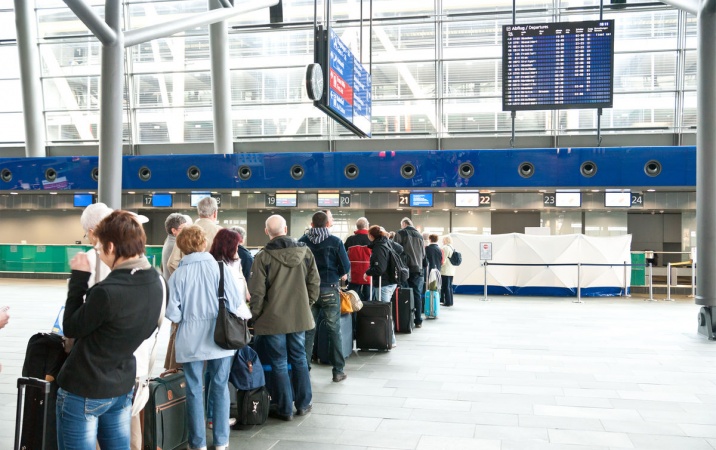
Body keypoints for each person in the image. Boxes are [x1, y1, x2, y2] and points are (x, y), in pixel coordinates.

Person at [57, 210, 164, 450]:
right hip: (121, 386)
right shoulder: (157, 282)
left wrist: (78, 280)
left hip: (84, 387)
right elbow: (147, 331)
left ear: (112, 246)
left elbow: (71, 326)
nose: (98, 252)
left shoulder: (106, 291)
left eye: (100, 247)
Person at [166, 225, 249, 450]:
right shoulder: (221, 269)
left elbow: (172, 313)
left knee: (193, 389)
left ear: (182, 247)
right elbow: (236, 304)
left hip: (189, 340)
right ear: (203, 243)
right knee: (220, 386)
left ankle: (198, 443)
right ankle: (221, 441)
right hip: (220, 336)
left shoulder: (178, 275)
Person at [248, 215, 319, 421]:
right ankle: (304, 404)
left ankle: (285, 408)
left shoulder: (262, 257)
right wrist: (307, 305)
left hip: (272, 320)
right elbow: (314, 283)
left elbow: (257, 293)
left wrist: (255, 315)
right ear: (286, 228)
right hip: (299, 318)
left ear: (266, 231)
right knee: (299, 358)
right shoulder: (306, 253)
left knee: (279, 362)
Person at [207, 228, 252, 430]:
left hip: (212, 325)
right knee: (220, 377)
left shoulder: (218, 264)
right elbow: (236, 302)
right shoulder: (224, 267)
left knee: (213, 376)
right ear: (229, 247)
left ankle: (210, 416)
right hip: (227, 325)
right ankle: (217, 419)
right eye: (236, 245)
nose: (239, 249)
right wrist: (248, 316)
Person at [299, 211, 351, 382]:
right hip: (330, 289)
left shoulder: (302, 242)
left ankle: (304, 369)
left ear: (312, 224)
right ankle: (338, 371)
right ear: (327, 224)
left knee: (308, 331)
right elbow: (345, 266)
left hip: (309, 291)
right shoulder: (335, 241)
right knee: (334, 330)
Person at [363, 225, 402, 347]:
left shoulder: (379, 247)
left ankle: (389, 340)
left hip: (383, 283)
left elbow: (379, 268)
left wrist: (368, 272)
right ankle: (385, 338)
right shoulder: (387, 243)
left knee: (384, 312)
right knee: (385, 311)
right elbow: (400, 249)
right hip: (391, 282)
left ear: (371, 235)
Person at [167, 196, 222, 275]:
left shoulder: (186, 232)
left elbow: (172, 263)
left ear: (199, 212)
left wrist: (187, 276)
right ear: (215, 213)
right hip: (215, 282)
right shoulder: (221, 232)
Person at [394, 217, 426, 328]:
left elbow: (395, 251)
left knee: (404, 293)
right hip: (418, 269)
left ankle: (405, 319)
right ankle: (418, 320)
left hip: (404, 269)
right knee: (417, 294)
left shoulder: (400, 233)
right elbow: (423, 254)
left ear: (404, 224)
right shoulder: (420, 236)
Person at [345, 217, 372, 301]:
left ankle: (353, 314)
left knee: (352, 298)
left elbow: (344, 255)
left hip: (354, 273)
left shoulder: (350, 240)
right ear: (367, 226)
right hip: (369, 273)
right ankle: (366, 313)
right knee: (368, 298)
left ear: (357, 227)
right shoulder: (371, 239)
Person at [162, 213, 190, 279]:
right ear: (174, 230)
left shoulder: (168, 240)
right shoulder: (176, 244)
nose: (187, 231)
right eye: (184, 228)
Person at [440, 236, 456, 307]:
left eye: (443, 240)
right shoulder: (452, 247)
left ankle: (447, 302)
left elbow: (443, 260)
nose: (442, 241)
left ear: (446, 240)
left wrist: (439, 265)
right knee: (449, 286)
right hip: (451, 270)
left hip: (445, 270)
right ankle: (450, 301)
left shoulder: (445, 248)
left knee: (445, 286)